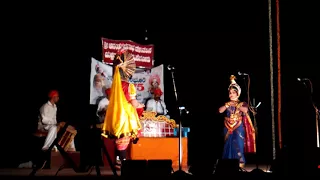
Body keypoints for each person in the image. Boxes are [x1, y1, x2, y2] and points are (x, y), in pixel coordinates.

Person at [102, 49, 144, 169]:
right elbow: (133, 102)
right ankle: (122, 162)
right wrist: (139, 105)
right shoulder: (129, 86)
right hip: (125, 116)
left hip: (115, 115)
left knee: (118, 138)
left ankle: (118, 161)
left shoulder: (114, 86)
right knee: (124, 139)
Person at [218, 75, 256, 168]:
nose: (231, 94)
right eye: (230, 93)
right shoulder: (227, 103)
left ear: (237, 94)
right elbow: (220, 111)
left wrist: (237, 105)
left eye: (233, 93)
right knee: (228, 145)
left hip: (238, 127)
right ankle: (227, 165)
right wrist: (227, 105)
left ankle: (240, 165)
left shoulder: (242, 103)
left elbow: (245, 110)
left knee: (238, 145)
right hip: (227, 127)